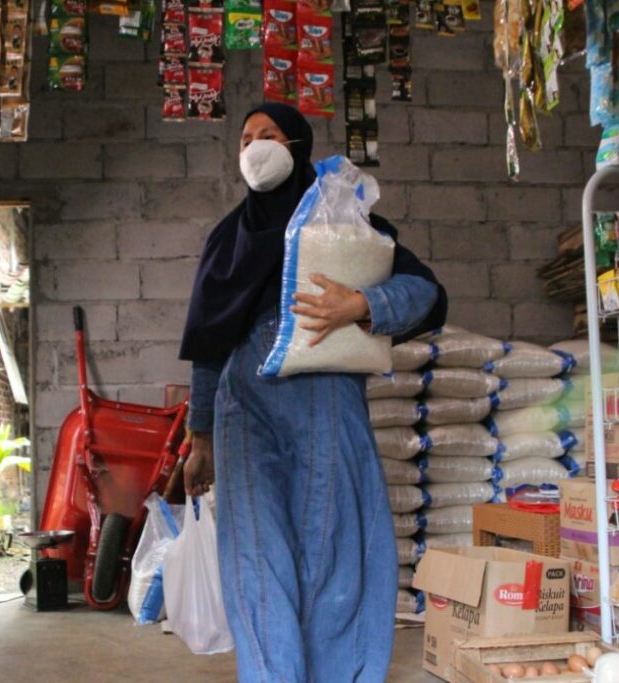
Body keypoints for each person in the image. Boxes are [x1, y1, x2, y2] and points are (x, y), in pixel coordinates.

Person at [179, 102, 447, 683]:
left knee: (334, 553)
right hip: (243, 411)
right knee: (256, 557)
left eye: (268, 135)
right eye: (245, 138)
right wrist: (199, 438)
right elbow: (207, 344)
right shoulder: (228, 239)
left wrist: (363, 304)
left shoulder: (341, 222)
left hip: (325, 402)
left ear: (298, 144)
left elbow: (424, 291)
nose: (254, 147)